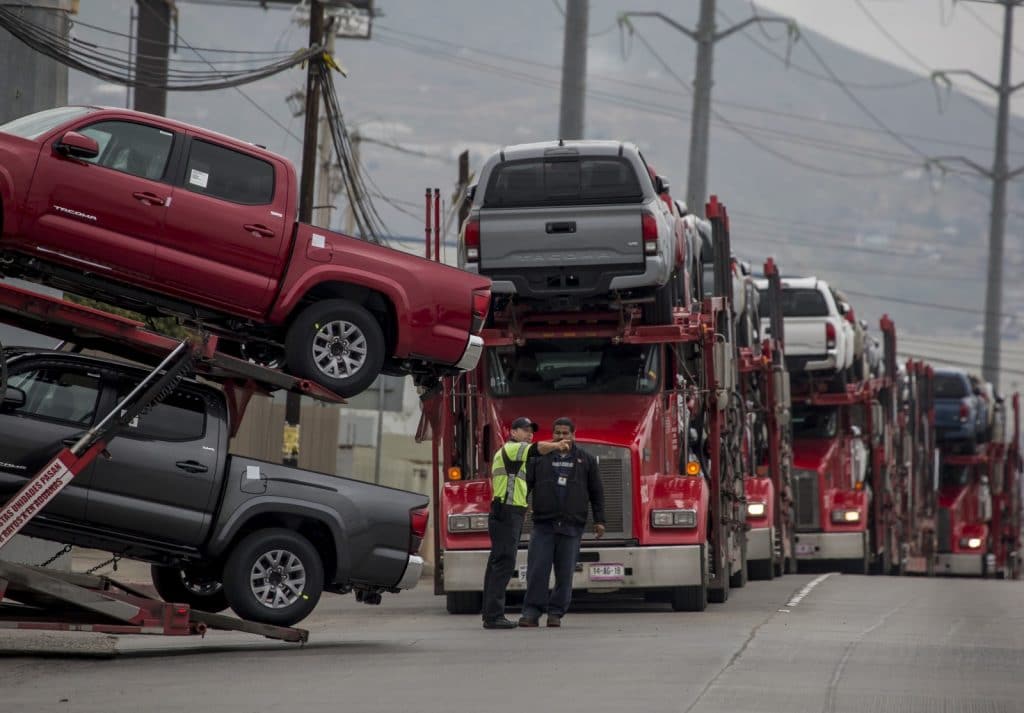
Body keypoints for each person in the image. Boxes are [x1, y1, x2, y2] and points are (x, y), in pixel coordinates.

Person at [481, 416, 570, 629]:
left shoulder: (515, 455)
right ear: (513, 433)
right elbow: (536, 449)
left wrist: (523, 503)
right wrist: (557, 445)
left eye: (531, 430)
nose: (529, 434)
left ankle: (491, 613)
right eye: (524, 430)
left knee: (498, 563)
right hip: (506, 512)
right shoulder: (513, 448)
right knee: (503, 563)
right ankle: (494, 616)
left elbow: (516, 483)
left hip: (509, 511)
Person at [520, 416, 605, 628]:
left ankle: (555, 613)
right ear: (552, 434)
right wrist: (521, 506)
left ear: (573, 435)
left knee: (565, 572)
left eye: (565, 433)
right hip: (543, 525)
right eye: (557, 432)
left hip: (572, 526)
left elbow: (597, 492)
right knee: (537, 571)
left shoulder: (586, 460)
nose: (561, 436)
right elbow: (525, 485)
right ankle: (531, 613)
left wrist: (599, 520)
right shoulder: (538, 459)